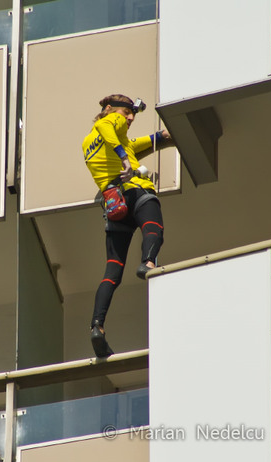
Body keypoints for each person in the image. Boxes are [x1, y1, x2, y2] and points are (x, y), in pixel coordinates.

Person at [81, 94, 171, 357]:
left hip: (114, 205)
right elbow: (111, 130)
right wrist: (123, 157)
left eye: (133, 114)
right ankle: (149, 262)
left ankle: (97, 326)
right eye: (126, 113)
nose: (130, 118)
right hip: (134, 191)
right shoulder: (109, 123)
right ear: (109, 110)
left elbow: (136, 143)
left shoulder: (89, 143)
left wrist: (160, 137)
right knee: (154, 226)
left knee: (112, 270)